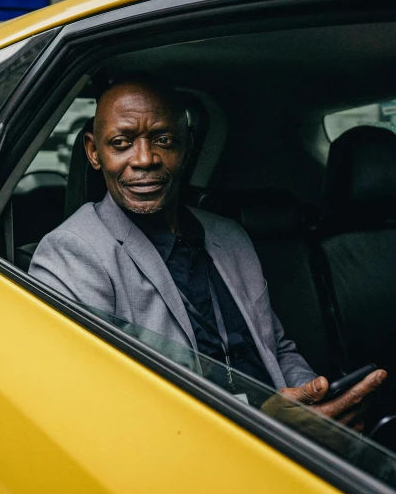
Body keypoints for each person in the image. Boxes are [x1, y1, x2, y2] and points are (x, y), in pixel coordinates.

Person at [29, 74, 387, 429]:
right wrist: (263, 424)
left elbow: (275, 348)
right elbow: (96, 409)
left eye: (163, 140)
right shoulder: (71, 254)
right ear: (94, 152)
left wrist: (316, 403)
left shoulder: (229, 236)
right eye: (121, 143)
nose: (144, 159)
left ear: (187, 145)